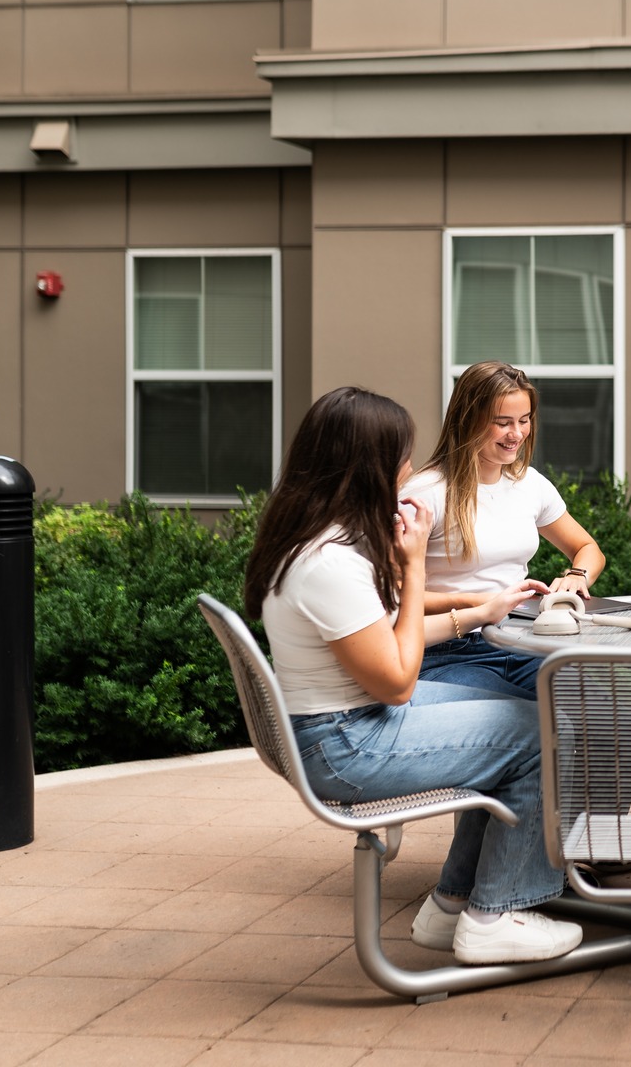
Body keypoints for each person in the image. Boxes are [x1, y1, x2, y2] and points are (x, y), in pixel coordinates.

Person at [244, 386, 583, 965]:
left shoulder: (313, 543)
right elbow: (397, 681)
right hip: (348, 744)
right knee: (543, 734)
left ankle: (450, 905)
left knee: (526, 715)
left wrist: (476, 614)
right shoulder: (330, 565)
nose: (409, 467)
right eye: (399, 455)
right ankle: (495, 915)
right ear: (365, 464)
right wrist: (416, 561)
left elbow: (377, 645)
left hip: (340, 726)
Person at [402, 360, 606, 698]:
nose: (517, 434)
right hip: (446, 651)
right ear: (468, 420)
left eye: (524, 421)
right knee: (543, 724)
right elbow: (392, 596)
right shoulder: (425, 493)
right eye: (503, 423)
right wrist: (482, 603)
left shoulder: (530, 484)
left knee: (617, 726)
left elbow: (587, 549)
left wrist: (578, 575)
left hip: (520, 641)